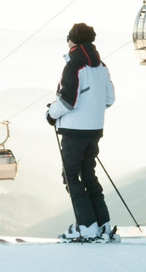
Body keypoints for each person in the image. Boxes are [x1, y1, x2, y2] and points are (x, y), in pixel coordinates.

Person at [46, 23, 116, 240]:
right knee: (88, 175)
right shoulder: (101, 66)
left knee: (71, 176)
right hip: (94, 130)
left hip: (74, 131)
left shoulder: (74, 65)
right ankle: (103, 225)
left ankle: (86, 226)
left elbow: (67, 102)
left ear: (73, 41)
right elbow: (109, 99)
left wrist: (51, 114)